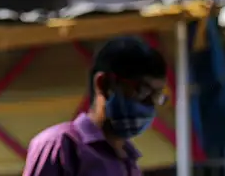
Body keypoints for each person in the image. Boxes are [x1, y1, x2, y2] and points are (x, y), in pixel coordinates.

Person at [22, 36, 168, 176]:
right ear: (103, 83)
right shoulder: (60, 145)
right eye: (142, 91)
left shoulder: (129, 161)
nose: (150, 104)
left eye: (156, 96)